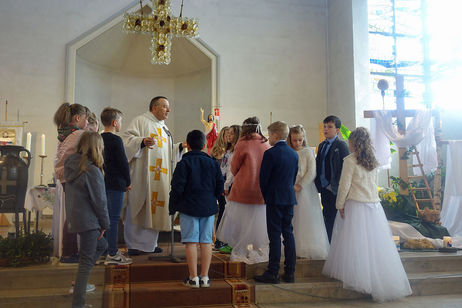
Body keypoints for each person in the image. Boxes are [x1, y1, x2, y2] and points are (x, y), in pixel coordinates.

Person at [322, 127, 412, 302]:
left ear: (353, 142)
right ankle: (377, 278)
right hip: (374, 206)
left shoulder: (350, 161)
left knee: (356, 243)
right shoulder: (373, 161)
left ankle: (360, 278)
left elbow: (344, 185)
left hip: (356, 205)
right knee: (374, 244)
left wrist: (339, 204)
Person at [122, 96, 184, 256]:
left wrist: (179, 148)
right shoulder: (140, 121)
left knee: (155, 208)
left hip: (159, 178)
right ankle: (135, 245)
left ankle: (150, 244)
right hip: (142, 177)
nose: (168, 110)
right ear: (154, 107)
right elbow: (127, 141)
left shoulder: (164, 128)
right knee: (139, 206)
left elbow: (168, 152)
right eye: (165, 107)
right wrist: (141, 142)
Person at [169, 130, 224, 288]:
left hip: (188, 207)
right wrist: (210, 198)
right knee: (206, 241)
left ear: (188, 145)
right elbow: (220, 185)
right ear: (205, 145)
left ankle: (193, 278)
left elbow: (177, 188)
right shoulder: (213, 163)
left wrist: (172, 207)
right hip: (208, 207)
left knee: (191, 242)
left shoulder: (183, 163)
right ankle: (205, 277)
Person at [64, 131, 110, 308]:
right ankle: (78, 303)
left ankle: (81, 282)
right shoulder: (91, 170)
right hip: (89, 221)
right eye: (101, 144)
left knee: (102, 246)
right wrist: (105, 223)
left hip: (77, 218)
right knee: (85, 262)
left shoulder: (72, 165)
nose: (104, 147)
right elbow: (100, 201)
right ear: (95, 147)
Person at [216, 117, 270, 264]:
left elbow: (234, 167)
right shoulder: (266, 143)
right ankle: (258, 249)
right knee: (258, 223)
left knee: (239, 222)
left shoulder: (243, 143)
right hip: (261, 190)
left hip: (244, 189)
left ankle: (242, 249)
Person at [254, 121, 298, 284]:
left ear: (276, 135)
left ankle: (273, 272)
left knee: (274, 236)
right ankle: (290, 272)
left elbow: (263, 179)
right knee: (288, 234)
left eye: (269, 133)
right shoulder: (294, 154)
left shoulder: (271, 154)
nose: (268, 137)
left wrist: (267, 195)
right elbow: (293, 177)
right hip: (288, 197)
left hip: (274, 198)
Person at [53, 102, 89, 263]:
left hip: (66, 176)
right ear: (77, 118)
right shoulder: (78, 134)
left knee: (73, 214)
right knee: (74, 216)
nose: (87, 123)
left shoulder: (66, 133)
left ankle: (71, 251)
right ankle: (68, 253)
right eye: (86, 119)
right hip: (73, 177)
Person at [287, 125, 329, 259]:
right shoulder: (288, 151)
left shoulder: (307, 152)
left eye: (300, 139)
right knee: (292, 219)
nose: (298, 143)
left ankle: (305, 246)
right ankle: (291, 246)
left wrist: (300, 185)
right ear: (290, 139)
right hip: (290, 188)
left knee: (305, 218)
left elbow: (312, 171)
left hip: (305, 189)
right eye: (295, 140)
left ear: (303, 138)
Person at [100, 107, 132, 265]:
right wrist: (128, 181)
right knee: (113, 218)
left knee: (105, 217)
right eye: (120, 121)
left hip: (103, 182)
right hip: (117, 183)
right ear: (114, 122)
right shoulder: (116, 140)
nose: (121, 124)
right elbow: (123, 163)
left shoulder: (99, 138)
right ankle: (112, 253)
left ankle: (105, 249)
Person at [314, 115, 349, 242]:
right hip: (324, 188)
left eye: (329, 127)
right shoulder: (322, 145)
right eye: (324, 126)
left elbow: (345, 168)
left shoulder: (341, 146)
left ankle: (338, 243)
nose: (326, 129)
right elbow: (319, 164)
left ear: (337, 130)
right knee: (327, 216)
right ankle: (329, 243)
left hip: (335, 188)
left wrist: (336, 184)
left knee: (336, 218)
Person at [215, 124, 241, 252]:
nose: (229, 136)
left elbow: (233, 171)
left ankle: (228, 241)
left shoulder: (237, 150)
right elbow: (224, 168)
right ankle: (220, 241)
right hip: (224, 183)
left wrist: (225, 185)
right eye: (228, 133)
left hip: (231, 185)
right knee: (224, 213)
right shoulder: (229, 150)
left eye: (231, 133)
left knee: (229, 214)